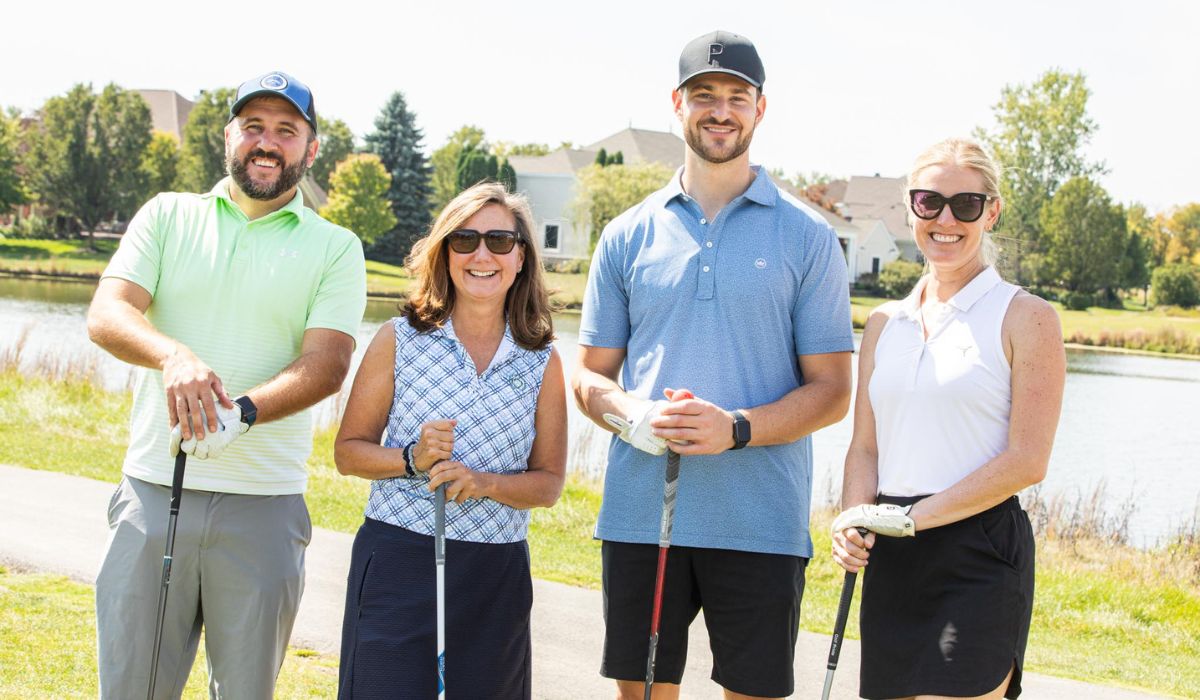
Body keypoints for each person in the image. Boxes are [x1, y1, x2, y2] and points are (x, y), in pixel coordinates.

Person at [573, 30, 854, 700]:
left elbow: (834, 390)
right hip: (643, 518)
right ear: (678, 104)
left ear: (761, 109)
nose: (720, 110)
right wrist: (632, 413)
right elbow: (587, 377)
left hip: (762, 523)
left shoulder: (809, 237)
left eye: (737, 96)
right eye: (705, 95)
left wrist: (737, 428)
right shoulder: (627, 234)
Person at [87, 71, 367, 698]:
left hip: (263, 506)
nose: (267, 143)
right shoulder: (166, 216)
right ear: (228, 137)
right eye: (254, 127)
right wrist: (173, 356)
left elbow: (326, 365)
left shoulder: (336, 247)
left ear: (311, 149)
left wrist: (238, 414)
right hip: (154, 494)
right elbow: (107, 316)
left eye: (287, 131)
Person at [831, 137, 1066, 700]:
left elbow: (1027, 461)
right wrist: (851, 521)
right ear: (911, 207)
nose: (945, 219)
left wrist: (916, 518)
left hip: (976, 552)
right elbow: (865, 447)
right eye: (929, 201)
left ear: (992, 211)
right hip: (891, 550)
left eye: (965, 205)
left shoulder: (1025, 317)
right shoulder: (886, 323)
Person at [334, 182, 567, 699]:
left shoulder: (541, 360)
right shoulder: (400, 338)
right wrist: (412, 460)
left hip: (495, 574)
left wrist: (483, 482)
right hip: (400, 559)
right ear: (444, 252)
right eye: (464, 240)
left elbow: (548, 484)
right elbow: (348, 452)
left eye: (500, 241)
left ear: (522, 257)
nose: (482, 254)